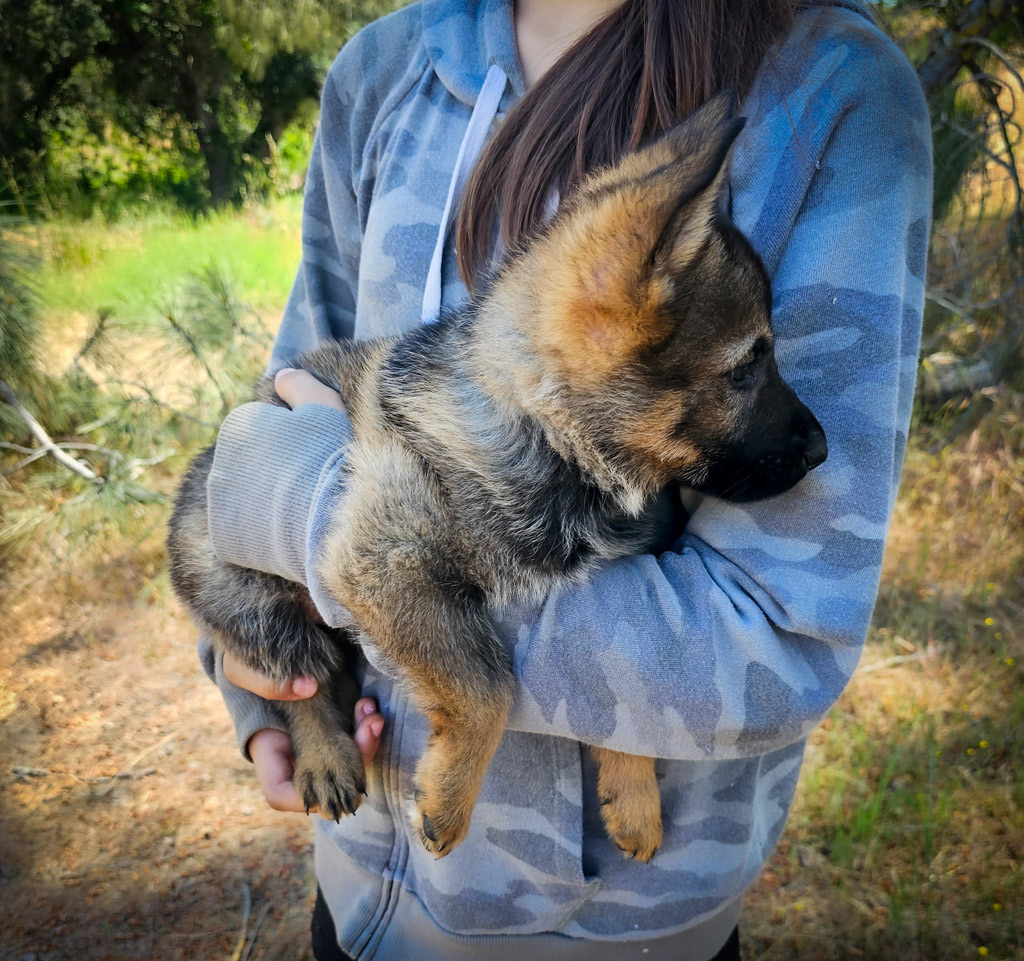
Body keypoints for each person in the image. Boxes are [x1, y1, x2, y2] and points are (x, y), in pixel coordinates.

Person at [196, 0, 933, 958]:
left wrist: (313, 516)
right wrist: (270, 697)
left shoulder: (835, 96)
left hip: (629, 935)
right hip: (359, 891)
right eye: (746, 368)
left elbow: (778, 634)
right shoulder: (384, 71)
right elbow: (273, 422)